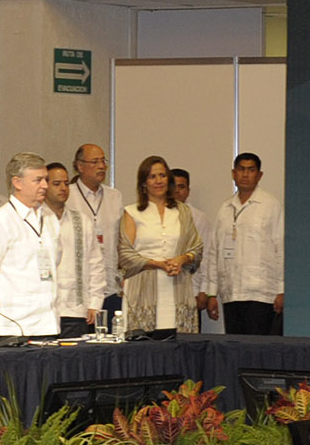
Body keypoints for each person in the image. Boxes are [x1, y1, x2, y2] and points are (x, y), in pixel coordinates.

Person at [0, 152, 64, 338]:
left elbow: (56, 262)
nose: (45, 185)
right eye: (38, 180)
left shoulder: (50, 218)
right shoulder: (0, 221)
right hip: (12, 327)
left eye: (45, 179)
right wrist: (2, 308)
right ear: (17, 183)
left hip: (48, 325)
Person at [196, 152, 285, 335]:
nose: (245, 174)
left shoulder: (271, 206)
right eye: (241, 169)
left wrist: (281, 289)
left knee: (260, 351)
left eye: (251, 170)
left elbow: (281, 248)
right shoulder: (225, 209)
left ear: (259, 175)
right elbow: (214, 253)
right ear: (233, 174)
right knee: (236, 350)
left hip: (262, 293)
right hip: (231, 292)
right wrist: (212, 293)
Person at [117, 155, 203, 334]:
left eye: (162, 176)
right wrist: (157, 264)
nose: (158, 181)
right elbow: (125, 254)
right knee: (144, 349)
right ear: (143, 183)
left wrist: (181, 259)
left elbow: (196, 248)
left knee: (178, 348)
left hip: (178, 287)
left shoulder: (182, 211)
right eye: (152, 176)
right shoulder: (132, 212)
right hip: (142, 290)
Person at [70, 143, 122, 325]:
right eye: (95, 162)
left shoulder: (114, 196)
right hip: (81, 290)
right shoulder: (68, 196)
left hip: (111, 285)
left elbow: (120, 240)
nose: (102, 166)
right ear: (80, 166)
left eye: (103, 161)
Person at [44, 162, 92, 337]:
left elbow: (94, 262)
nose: (63, 188)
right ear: (44, 186)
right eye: (56, 184)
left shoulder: (82, 220)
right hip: (43, 311)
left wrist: (94, 302)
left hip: (75, 309)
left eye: (66, 183)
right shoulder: (35, 219)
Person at [170, 168, 208, 241]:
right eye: (173, 186)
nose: (176, 191)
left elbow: (206, 249)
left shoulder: (199, 219)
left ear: (188, 191)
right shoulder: (156, 215)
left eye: (181, 187)